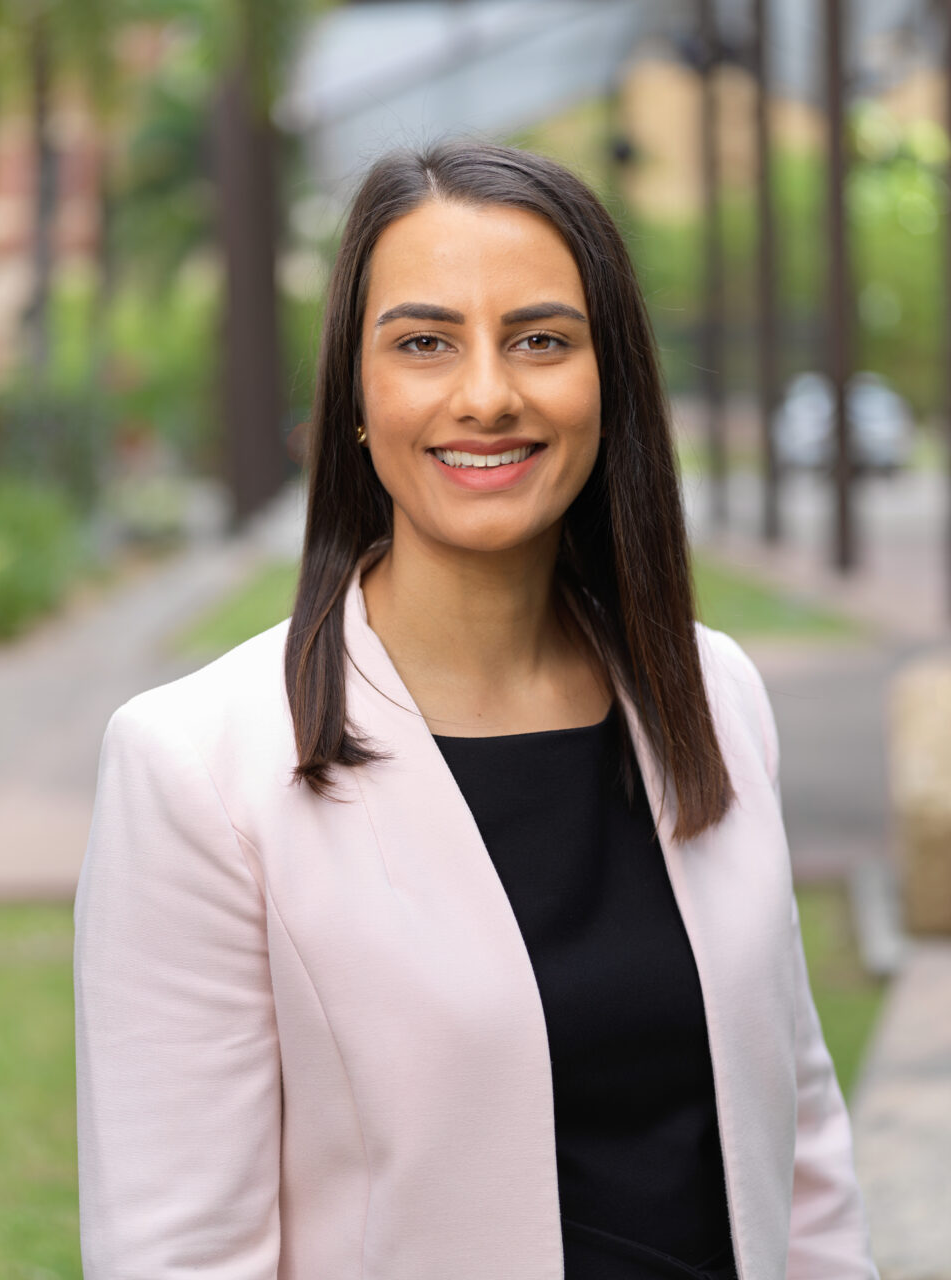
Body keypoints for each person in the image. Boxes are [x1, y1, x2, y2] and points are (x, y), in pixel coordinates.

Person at [73, 140, 878, 1280]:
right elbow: (179, 1252)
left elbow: (805, 1158)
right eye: (424, 342)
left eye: (542, 338)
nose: (489, 393)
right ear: (356, 394)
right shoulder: (197, 765)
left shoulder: (714, 695)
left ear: (612, 381)